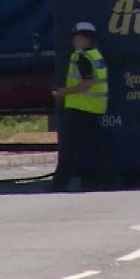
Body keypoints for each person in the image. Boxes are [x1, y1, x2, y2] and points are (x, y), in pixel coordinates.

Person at [50, 21, 118, 191]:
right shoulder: (96, 56)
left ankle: (59, 184)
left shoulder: (82, 57)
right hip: (93, 109)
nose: (75, 41)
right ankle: (112, 181)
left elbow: (87, 83)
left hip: (81, 109)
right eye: (74, 38)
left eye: (78, 38)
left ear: (88, 40)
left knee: (68, 149)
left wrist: (64, 92)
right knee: (97, 149)